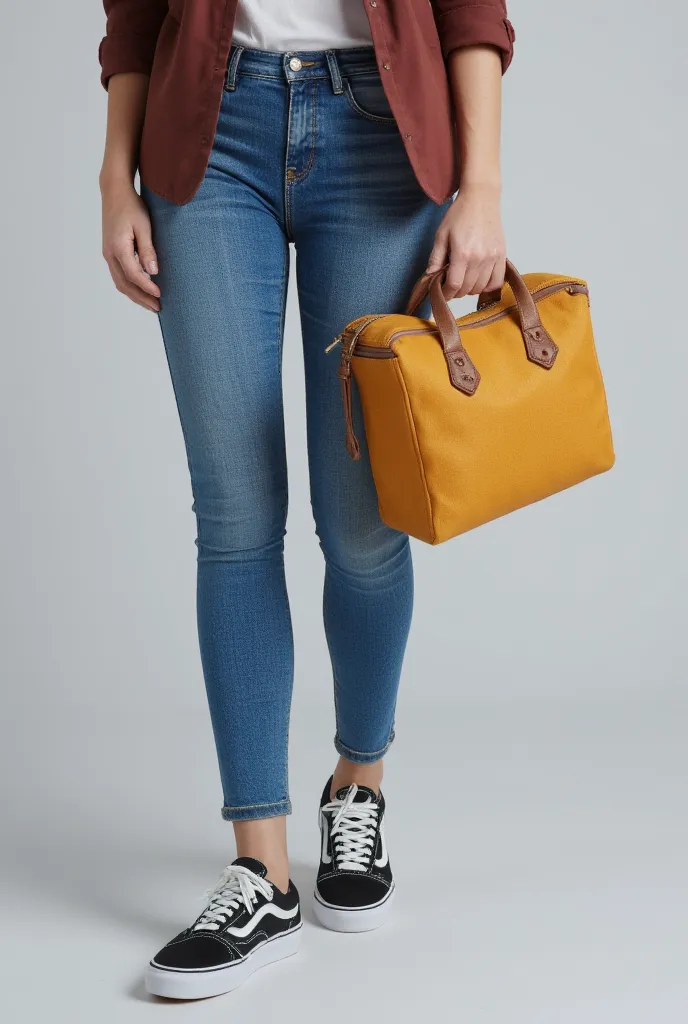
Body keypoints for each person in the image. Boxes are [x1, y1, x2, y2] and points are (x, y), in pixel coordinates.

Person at [99, 0, 514, 1000]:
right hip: (209, 135)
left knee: (362, 521)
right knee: (235, 519)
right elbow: (133, 15)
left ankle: (357, 784)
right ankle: (261, 871)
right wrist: (115, 172)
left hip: (382, 133)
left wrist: (483, 184)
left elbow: (474, 12)